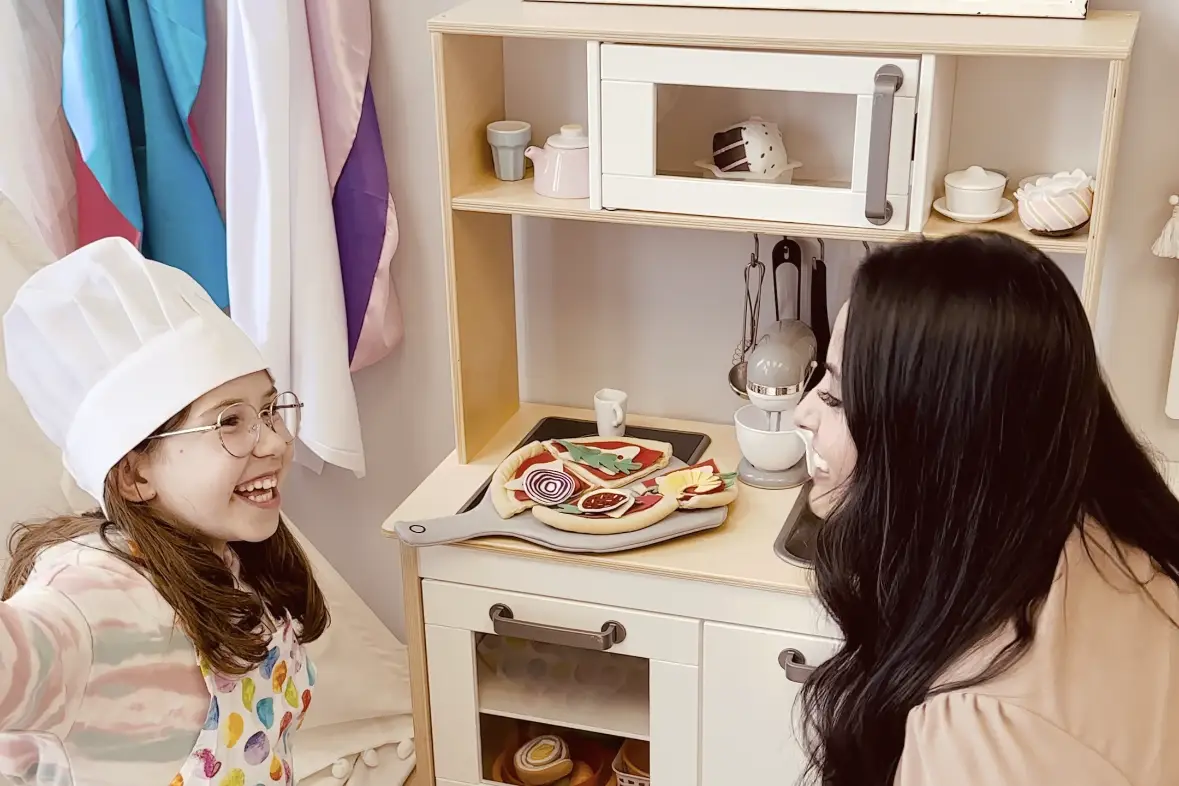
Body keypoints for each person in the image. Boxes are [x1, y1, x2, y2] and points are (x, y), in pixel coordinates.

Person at [793, 232, 1179, 786]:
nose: (804, 413)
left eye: (835, 396)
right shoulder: (1095, 537)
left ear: (931, 444)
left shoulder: (977, 729)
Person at [0, 237, 328, 784]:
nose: (272, 441)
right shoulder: (93, 594)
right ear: (134, 474)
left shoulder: (230, 551)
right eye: (229, 422)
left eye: (269, 409)